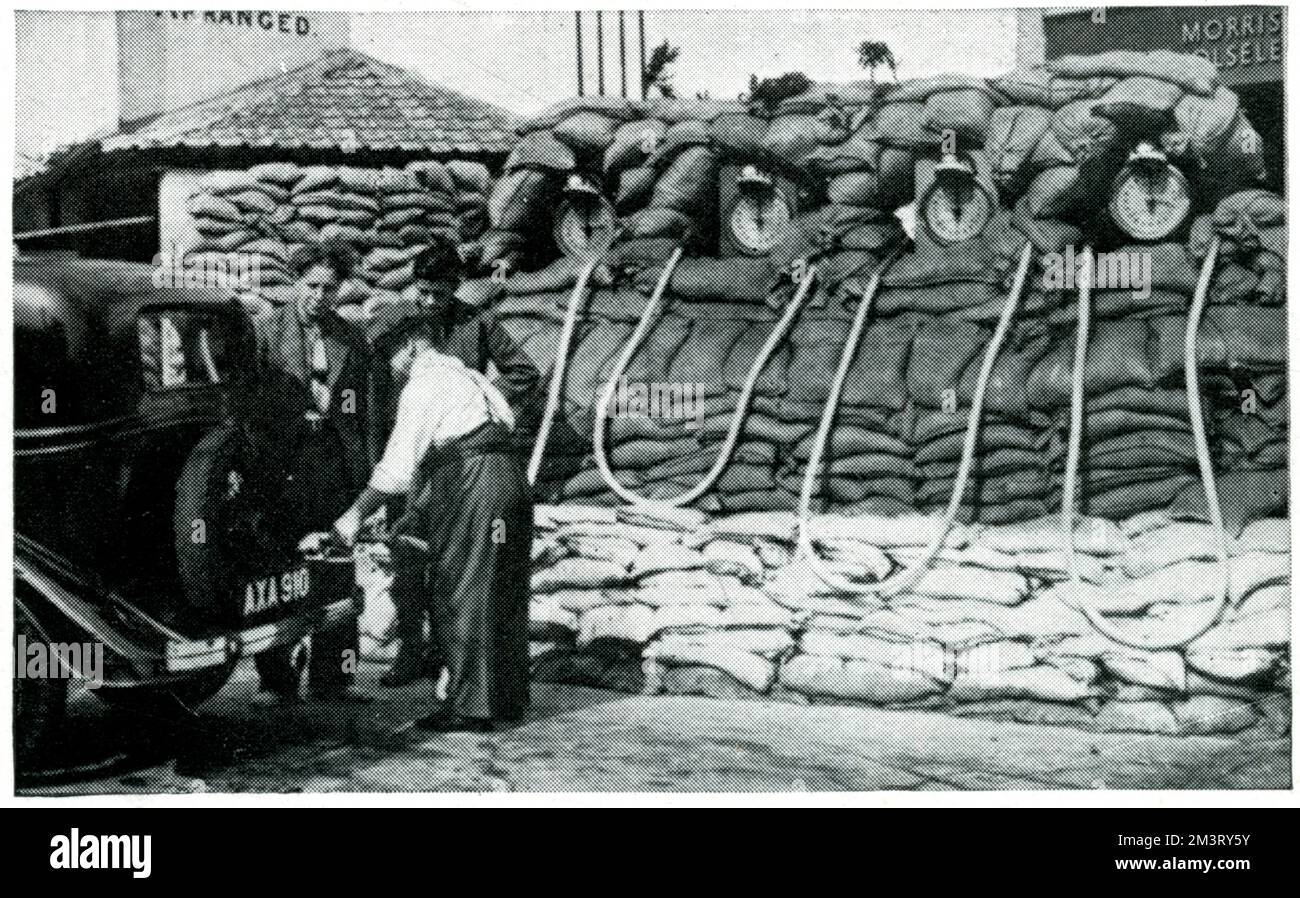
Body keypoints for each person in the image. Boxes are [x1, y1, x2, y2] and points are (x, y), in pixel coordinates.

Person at [331, 271, 533, 732]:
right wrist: (416, 519)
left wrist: (353, 516)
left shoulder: (423, 387)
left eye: (391, 356)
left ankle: (470, 707)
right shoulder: (467, 376)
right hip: (509, 482)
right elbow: (469, 441)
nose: (392, 368)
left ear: (411, 345)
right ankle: (505, 699)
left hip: (478, 487)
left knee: (461, 591)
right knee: (502, 592)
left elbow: (397, 469)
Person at [366, 239, 541, 688]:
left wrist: (488, 405)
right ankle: (411, 647)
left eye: (438, 294)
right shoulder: (400, 325)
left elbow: (525, 372)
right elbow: (379, 390)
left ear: (456, 288)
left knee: (457, 564)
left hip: (457, 467)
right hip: (410, 457)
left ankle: (454, 657)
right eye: (421, 291)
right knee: (406, 554)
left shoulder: (477, 323)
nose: (428, 302)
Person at [247, 239, 373, 703]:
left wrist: (363, 472)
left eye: (330, 288)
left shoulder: (349, 337)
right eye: (313, 285)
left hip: (330, 468)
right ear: (296, 282)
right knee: (275, 567)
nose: (320, 296)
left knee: (335, 568)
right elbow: (246, 404)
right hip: (279, 470)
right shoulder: (265, 331)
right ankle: (276, 679)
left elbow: (363, 412)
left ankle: (333, 677)